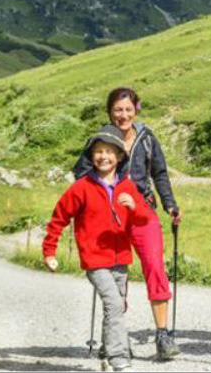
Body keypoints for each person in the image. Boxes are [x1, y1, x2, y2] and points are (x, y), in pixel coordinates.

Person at [72, 87, 181, 360]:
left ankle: (163, 335)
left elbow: (159, 173)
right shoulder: (100, 141)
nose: (123, 115)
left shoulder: (147, 139)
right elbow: (81, 174)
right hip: (110, 215)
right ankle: (115, 339)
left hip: (143, 212)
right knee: (114, 276)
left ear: (136, 110)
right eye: (117, 110)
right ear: (110, 111)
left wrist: (169, 204)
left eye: (128, 109)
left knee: (155, 266)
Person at [43, 126, 150, 372]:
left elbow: (144, 219)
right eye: (98, 151)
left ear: (119, 156)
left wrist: (135, 207)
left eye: (109, 152)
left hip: (121, 257)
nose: (103, 156)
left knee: (118, 305)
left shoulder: (127, 186)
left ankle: (105, 350)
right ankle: (118, 358)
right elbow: (59, 218)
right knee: (114, 304)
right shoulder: (81, 187)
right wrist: (49, 251)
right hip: (94, 259)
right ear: (91, 156)